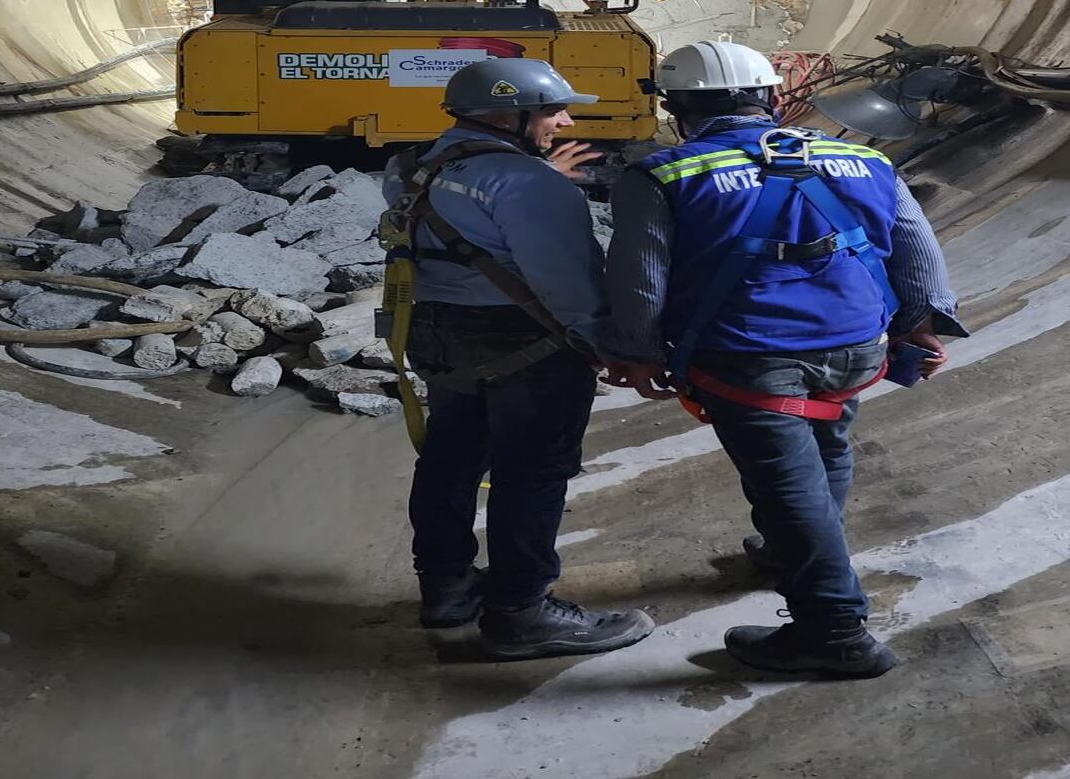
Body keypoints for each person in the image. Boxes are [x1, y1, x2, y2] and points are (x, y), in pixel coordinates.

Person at [605, 39, 965, 678]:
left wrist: (634, 352)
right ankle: (787, 552)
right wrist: (921, 322)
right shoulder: (861, 158)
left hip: (752, 356)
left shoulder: (664, 173)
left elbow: (641, 277)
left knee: (786, 483)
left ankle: (834, 633)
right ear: (772, 97)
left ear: (675, 109)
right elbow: (915, 244)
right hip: (857, 345)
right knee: (826, 452)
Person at [384, 57, 652, 660]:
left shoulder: (410, 165)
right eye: (552, 110)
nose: (562, 121)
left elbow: (462, 218)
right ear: (509, 114)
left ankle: (447, 588)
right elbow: (568, 284)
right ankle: (521, 611)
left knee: (450, 456)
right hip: (525, 344)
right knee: (531, 472)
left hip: (438, 332)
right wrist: (610, 347)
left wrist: (534, 173)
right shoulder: (530, 183)